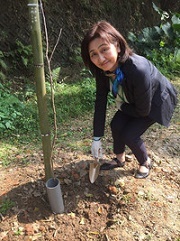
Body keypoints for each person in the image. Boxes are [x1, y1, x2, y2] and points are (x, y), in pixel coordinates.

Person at [81, 20, 178, 178]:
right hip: (132, 100)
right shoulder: (102, 71)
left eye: (104, 49)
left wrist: (121, 106)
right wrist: (96, 137)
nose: (100, 58)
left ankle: (145, 162)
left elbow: (143, 110)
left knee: (129, 134)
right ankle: (119, 159)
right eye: (93, 54)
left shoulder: (138, 69)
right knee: (116, 124)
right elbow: (100, 102)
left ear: (117, 46)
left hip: (154, 101)